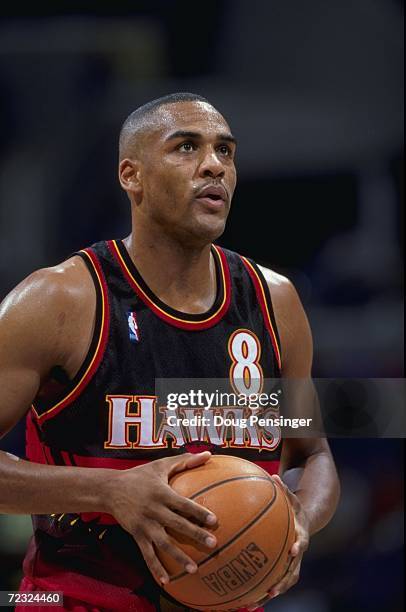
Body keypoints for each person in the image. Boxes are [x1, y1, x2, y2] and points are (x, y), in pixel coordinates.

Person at [0, 93, 340, 611]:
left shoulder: (275, 300)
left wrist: (298, 521)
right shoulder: (59, 300)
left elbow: (310, 454)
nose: (214, 166)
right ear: (130, 176)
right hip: (74, 599)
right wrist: (108, 492)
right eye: (186, 147)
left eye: (226, 152)